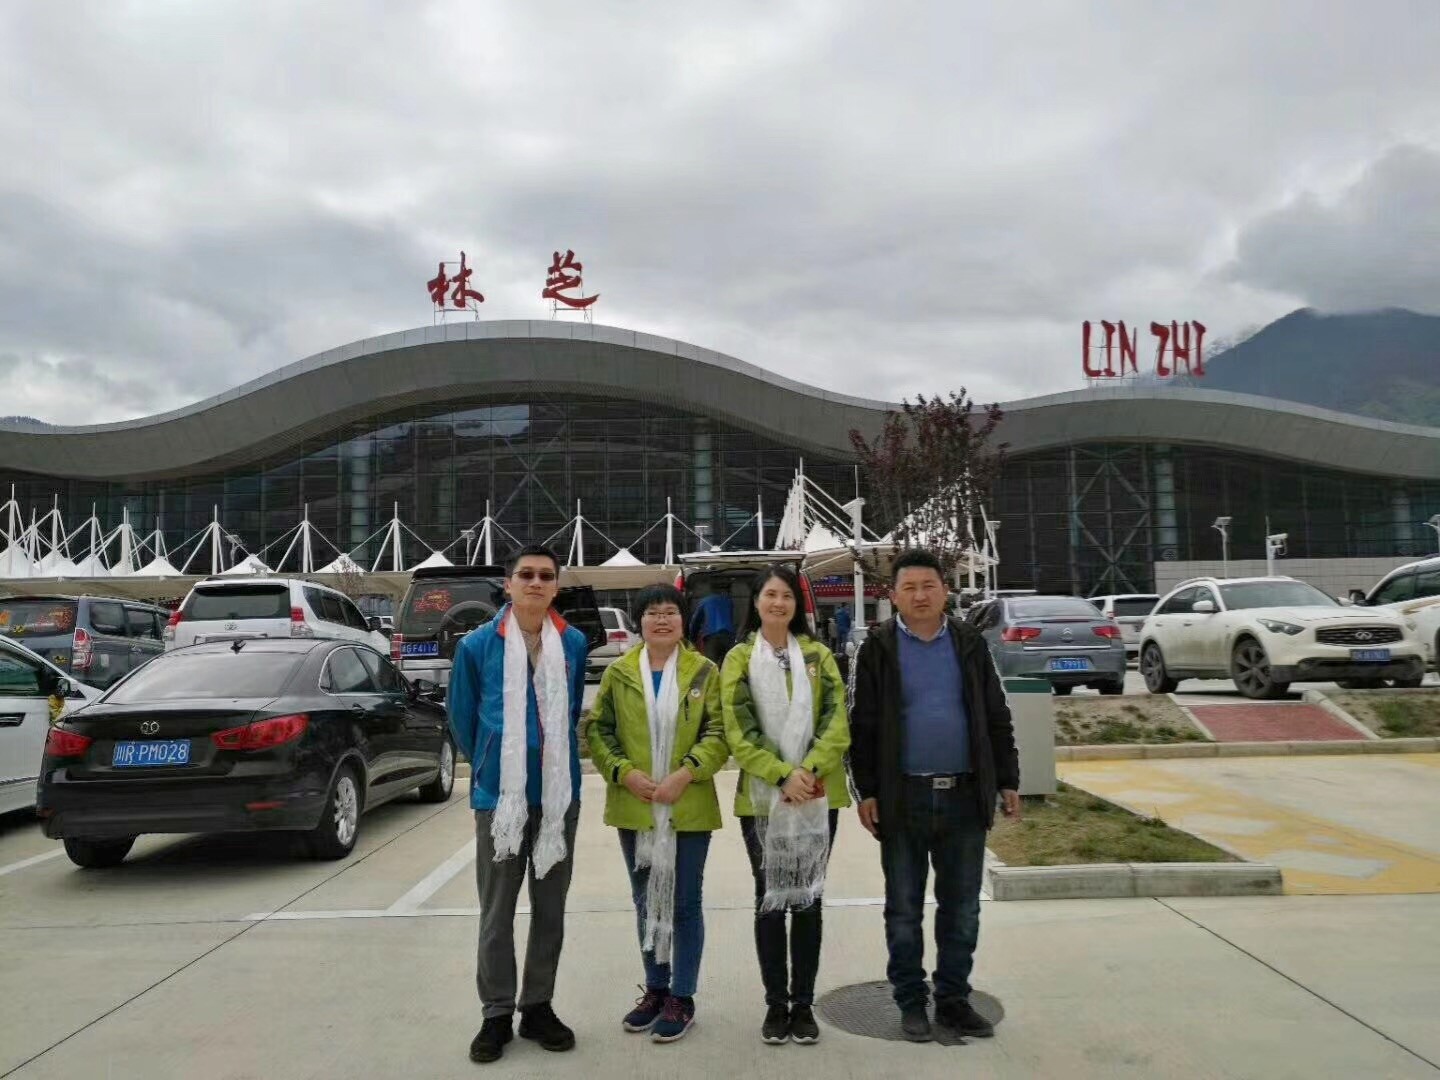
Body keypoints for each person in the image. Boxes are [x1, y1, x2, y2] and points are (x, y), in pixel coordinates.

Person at [847, 548, 1021, 1044]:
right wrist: (867, 791)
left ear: (945, 590)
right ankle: (910, 1001)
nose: (920, 595)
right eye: (909, 588)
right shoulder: (877, 648)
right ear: (893, 596)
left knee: (962, 908)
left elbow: (996, 714)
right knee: (904, 909)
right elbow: (862, 725)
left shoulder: (970, 644)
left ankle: (953, 1000)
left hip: (964, 796)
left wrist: (1008, 779)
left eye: (928, 586)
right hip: (903, 798)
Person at [447, 544, 589, 1065]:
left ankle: (538, 1006)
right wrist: (491, 765)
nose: (535, 582)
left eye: (545, 576)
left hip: (556, 797)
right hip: (499, 799)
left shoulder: (572, 643)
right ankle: (496, 1012)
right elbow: (462, 717)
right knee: (497, 911)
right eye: (525, 574)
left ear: (556, 587)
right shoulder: (477, 645)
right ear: (507, 585)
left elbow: (569, 711)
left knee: (550, 909)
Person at [587, 584, 730, 1043]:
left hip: (688, 806)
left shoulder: (704, 671)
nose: (662, 620)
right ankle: (656, 989)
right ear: (639, 622)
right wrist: (623, 772)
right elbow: (598, 731)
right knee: (646, 900)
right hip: (636, 806)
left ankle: (682, 996)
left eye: (670, 612)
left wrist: (685, 774)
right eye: (652, 613)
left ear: (683, 621)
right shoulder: (620, 673)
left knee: (685, 903)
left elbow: (719, 732)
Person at [721, 563, 850, 1046]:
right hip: (763, 799)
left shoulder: (818, 655)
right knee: (770, 899)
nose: (779, 603)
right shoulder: (738, 658)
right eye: (770, 595)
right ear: (756, 602)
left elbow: (837, 719)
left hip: (817, 794)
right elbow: (738, 727)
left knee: (809, 899)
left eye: (787, 596)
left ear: (797, 604)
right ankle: (776, 1005)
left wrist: (807, 771)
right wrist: (781, 774)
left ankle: (804, 1005)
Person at [688, 581, 736, 665]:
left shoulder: (705, 601)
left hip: (711, 637)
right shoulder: (728, 601)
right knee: (728, 665)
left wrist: (692, 638)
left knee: (710, 665)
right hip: (728, 636)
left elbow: (695, 622)